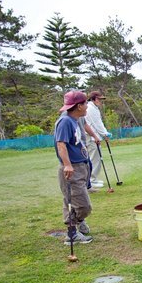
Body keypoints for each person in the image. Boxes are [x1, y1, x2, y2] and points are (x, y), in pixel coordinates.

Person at [54, 90, 93, 244]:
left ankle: (75, 227)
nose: (87, 107)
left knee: (72, 200)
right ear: (78, 106)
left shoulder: (74, 120)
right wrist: (67, 165)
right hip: (72, 168)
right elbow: (60, 144)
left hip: (81, 165)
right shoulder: (65, 121)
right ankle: (72, 232)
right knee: (83, 205)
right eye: (85, 104)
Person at [85, 91, 111, 188]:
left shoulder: (93, 108)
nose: (101, 101)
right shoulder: (91, 109)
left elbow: (99, 123)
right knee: (94, 159)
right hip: (92, 138)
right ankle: (92, 180)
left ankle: (93, 179)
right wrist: (104, 134)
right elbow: (97, 124)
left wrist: (104, 133)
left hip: (94, 137)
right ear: (95, 99)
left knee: (96, 159)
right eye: (100, 99)